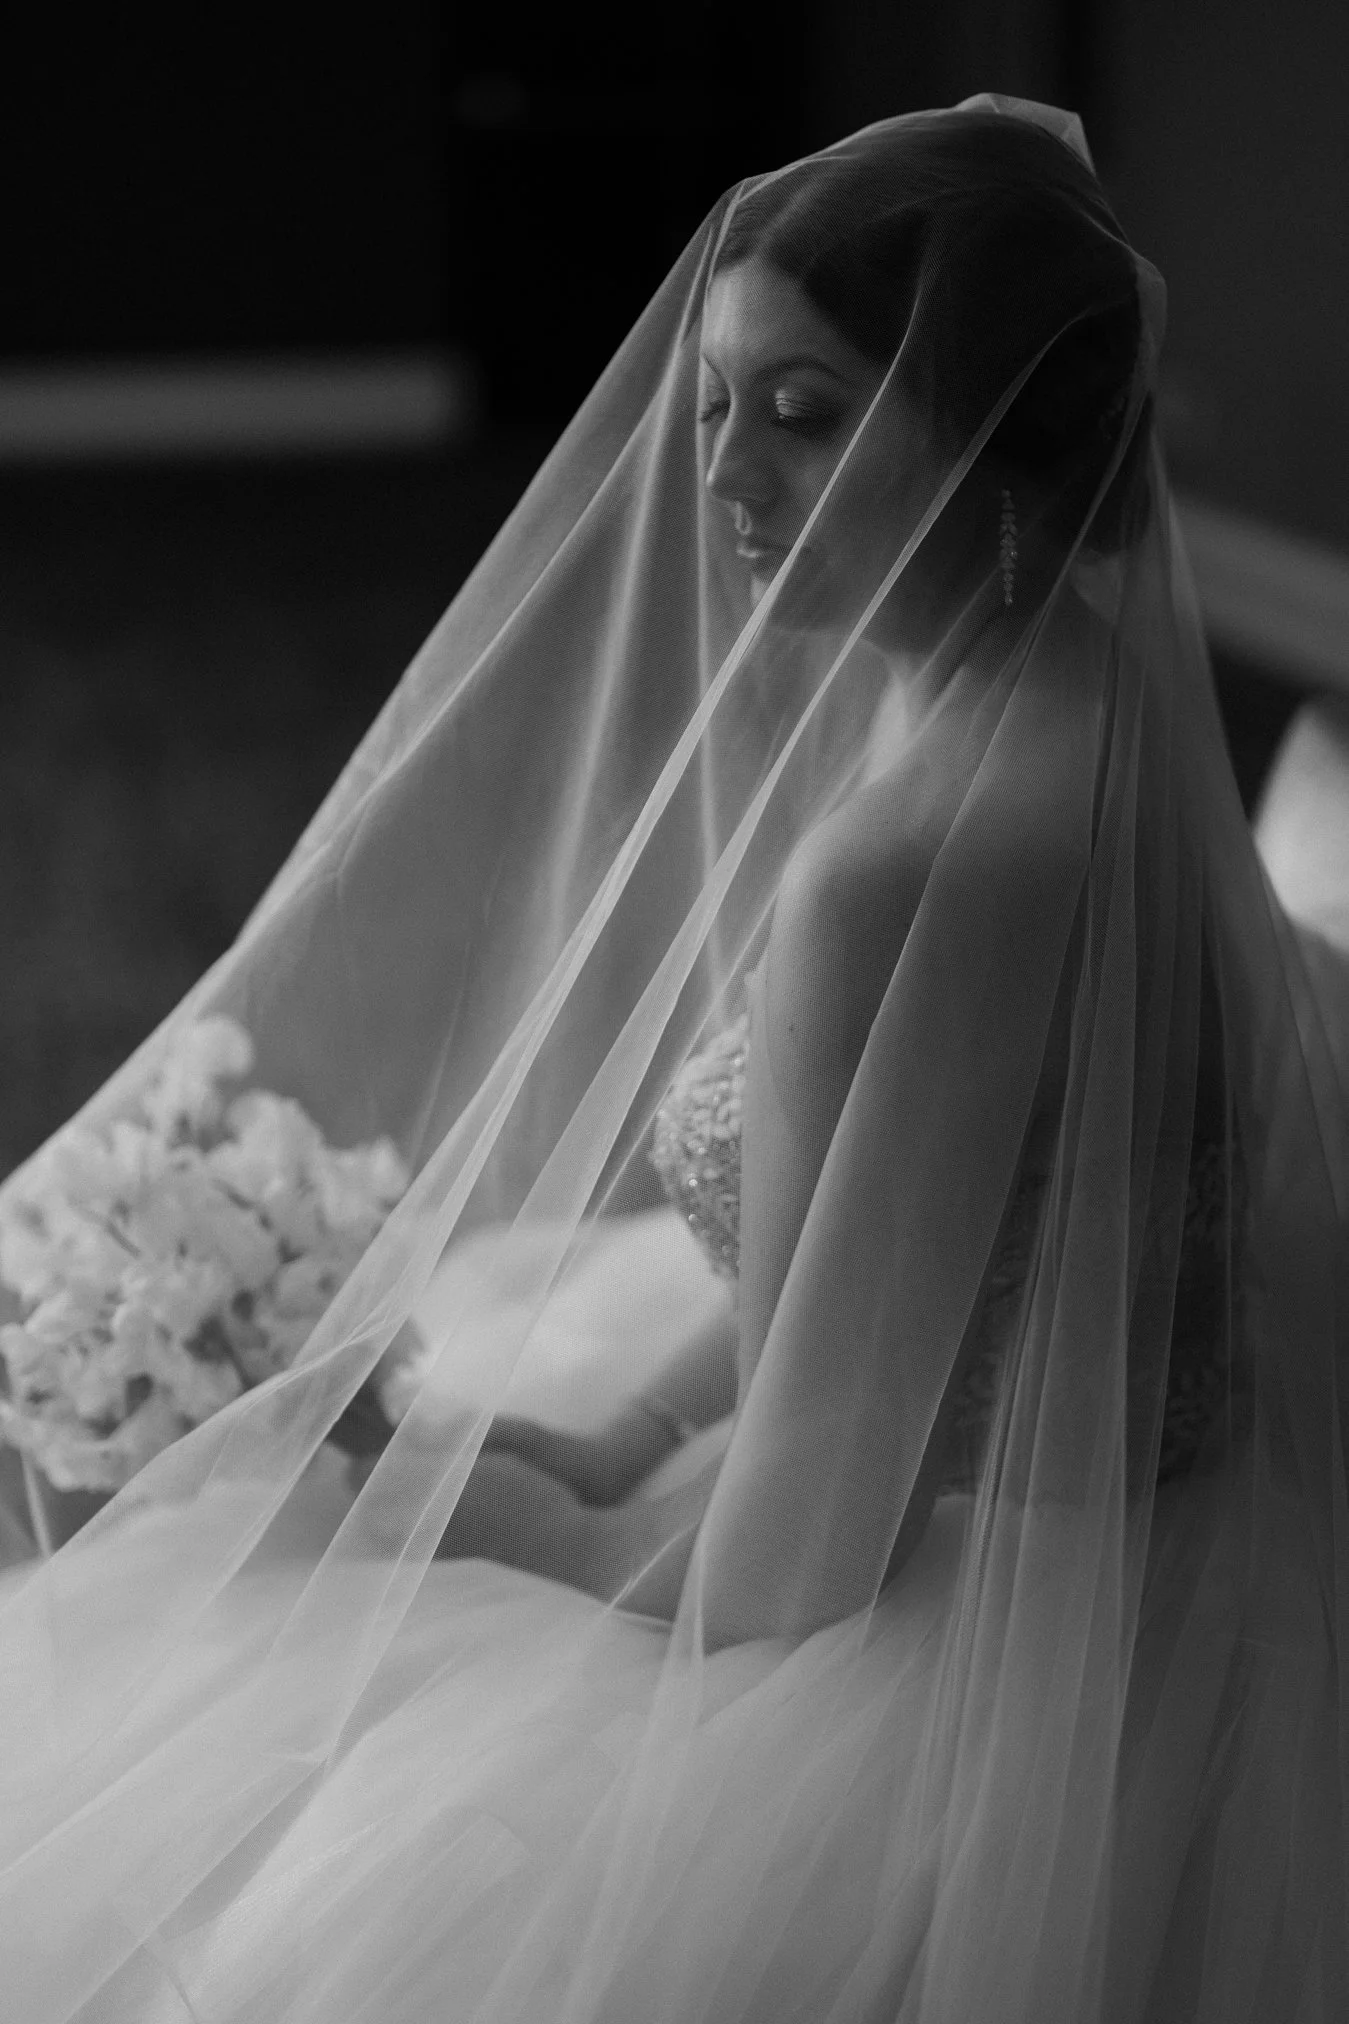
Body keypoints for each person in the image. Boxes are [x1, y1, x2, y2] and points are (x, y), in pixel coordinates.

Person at [0, 94, 1346, 2023]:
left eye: (805, 410)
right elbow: (951, 1268)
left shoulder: (912, 866)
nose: (723, 474)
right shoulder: (1071, 688)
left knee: (275, 1732)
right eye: (715, 405)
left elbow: (806, 1547)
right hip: (1158, 1524)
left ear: (988, 427)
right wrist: (606, 1443)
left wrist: (491, 1529)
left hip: (959, 1641)